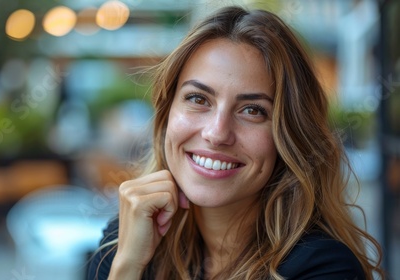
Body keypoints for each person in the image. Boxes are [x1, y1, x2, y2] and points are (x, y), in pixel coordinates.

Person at [87, 5, 384, 280]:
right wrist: (127, 265)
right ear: (166, 115)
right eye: (198, 99)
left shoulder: (322, 268)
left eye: (252, 110)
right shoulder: (125, 240)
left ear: (290, 136)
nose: (217, 133)